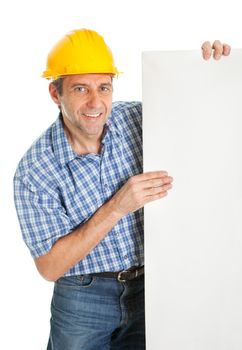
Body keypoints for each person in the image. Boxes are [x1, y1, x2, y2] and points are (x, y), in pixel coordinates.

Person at [13, 29, 231, 350]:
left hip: (153, 287)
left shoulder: (137, 118)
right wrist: (117, 206)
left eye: (104, 87)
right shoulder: (36, 169)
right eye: (80, 89)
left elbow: (201, 113)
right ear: (55, 94)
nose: (95, 102)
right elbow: (50, 266)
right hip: (82, 298)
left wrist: (212, 68)